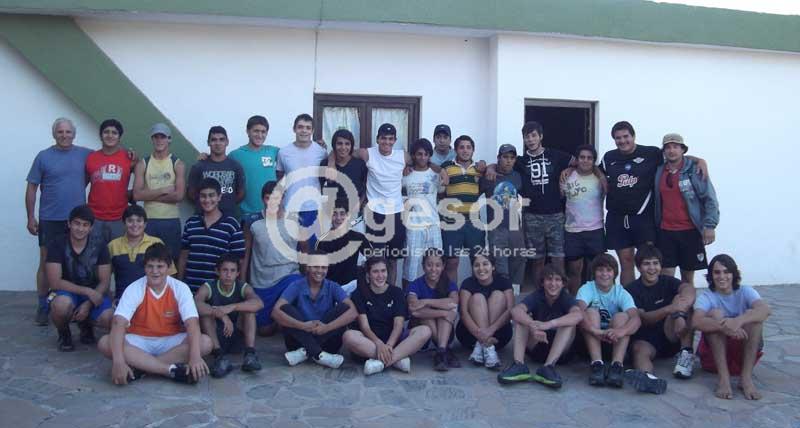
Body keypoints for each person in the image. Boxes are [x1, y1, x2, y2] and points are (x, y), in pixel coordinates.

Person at [599, 121, 707, 285]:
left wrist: (700, 160)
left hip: (644, 218)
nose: (622, 141)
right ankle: (630, 299)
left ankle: (652, 297)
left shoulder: (651, 153)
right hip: (618, 218)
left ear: (633, 136)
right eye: (618, 138)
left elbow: (675, 157)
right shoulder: (609, 157)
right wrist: (598, 174)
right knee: (626, 263)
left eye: (626, 136)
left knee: (647, 263)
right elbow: (595, 169)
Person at [97, 243, 213, 385]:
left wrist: (195, 357)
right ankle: (168, 370)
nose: (155, 271)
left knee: (205, 343)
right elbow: (118, 323)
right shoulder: (134, 288)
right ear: (144, 268)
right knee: (105, 343)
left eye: (160, 266)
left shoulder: (180, 288)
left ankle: (141, 368)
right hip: (139, 340)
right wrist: (119, 362)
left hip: (171, 340)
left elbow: (192, 323)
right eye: (150, 266)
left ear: (169, 267)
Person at [26, 118, 92, 325]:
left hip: (77, 220)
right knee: (46, 261)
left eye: (68, 132)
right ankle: (43, 305)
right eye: (60, 132)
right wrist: (30, 217)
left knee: (77, 262)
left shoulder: (85, 154)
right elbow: (31, 188)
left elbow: (108, 156)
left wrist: (131, 156)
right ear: (54, 134)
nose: (64, 135)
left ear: (74, 134)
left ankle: (71, 304)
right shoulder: (43, 156)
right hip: (50, 218)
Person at [692, 254, 771, 400]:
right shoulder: (707, 297)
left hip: (743, 355)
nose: (722, 276)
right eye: (717, 272)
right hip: (714, 359)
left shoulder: (745, 291)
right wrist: (724, 326)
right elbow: (696, 321)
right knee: (715, 315)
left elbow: (765, 310)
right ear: (711, 276)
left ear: (734, 274)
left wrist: (738, 321)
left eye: (726, 272)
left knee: (754, 319)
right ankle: (724, 379)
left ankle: (746, 379)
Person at [497, 266, 583, 388]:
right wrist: (532, 325)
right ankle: (519, 364)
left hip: (561, 352)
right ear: (542, 282)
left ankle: (548, 367)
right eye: (549, 279)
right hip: (538, 345)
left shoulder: (566, 298)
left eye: (557, 280)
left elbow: (578, 315)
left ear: (563, 283)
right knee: (522, 318)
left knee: (569, 323)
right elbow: (516, 310)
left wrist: (549, 324)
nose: (553, 284)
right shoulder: (538, 295)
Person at [626, 244, 696, 394]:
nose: (652, 268)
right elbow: (644, 318)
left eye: (655, 263)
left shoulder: (668, 281)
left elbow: (689, 289)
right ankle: (649, 379)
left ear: (660, 265)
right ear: (638, 267)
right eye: (646, 264)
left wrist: (680, 311)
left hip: (672, 333)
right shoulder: (631, 290)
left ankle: (686, 354)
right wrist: (670, 309)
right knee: (639, 350)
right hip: (647, 340)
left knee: (684, 300)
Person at [343, 257, 431, 375]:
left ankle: (381, 362)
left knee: (425, 331)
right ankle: (396, 359)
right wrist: (379, 344)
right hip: (370, 342)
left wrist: (389, 345)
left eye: (383, 271)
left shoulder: (397, 292)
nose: (380, 276)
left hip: (394, 341)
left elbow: (398, 325)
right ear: (368, 274)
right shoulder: (359, 293)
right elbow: (365, 326)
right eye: (375, 272)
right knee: (348, 336)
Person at [271, 251, 358, 368]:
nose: (320, 271)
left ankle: (305, 352)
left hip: (328, 343)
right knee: (284, 308)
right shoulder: (297, 285)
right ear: (308, 267)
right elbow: (275, 312)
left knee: (345, 307)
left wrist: (326, 327)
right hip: (298, 341)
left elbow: (353, 312)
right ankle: (319, 355)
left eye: (324, 267)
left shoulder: (332, 286)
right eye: (316, 266)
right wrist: (303, 326)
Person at [513, 121, 573, 285]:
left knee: (558, 257)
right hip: (532, 216)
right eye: (527, 137)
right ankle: (539, 291)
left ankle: (559, 291)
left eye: (534, 135)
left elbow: (578, 162)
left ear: (540, 136)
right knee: (537, 259)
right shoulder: (520, 161)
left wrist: (568, 169)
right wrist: (490, 168)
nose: (530, 140)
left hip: (555, 215)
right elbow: (501, 165)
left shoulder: (555, 155)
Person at [654, 133, 720, 285]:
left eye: (675, 147)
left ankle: (688, 301)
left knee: (687, 278)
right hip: (665, 231)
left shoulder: (695, 170)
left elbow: (709, 198)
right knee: (666, 277)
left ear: (683, 149)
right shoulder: (659, 171)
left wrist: (710, 226)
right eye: (668, 147)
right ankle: (669, 301)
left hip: (690, 231)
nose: (672, 151)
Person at [46, 205, 113, 351]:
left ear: (91, 227)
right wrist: (87, 292)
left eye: (85, 225)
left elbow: (105, 280)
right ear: (69, 223)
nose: (80, 228)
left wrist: (88, 304)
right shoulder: (57, 244)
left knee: (109, 318)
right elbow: (55, 282)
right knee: (61, 306)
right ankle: (64, 333)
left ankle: (86, 325)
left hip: (93, 293)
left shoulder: (100, 245)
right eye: (77, 223)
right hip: (65, 292)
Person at [243, 181, 303, 336]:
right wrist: (242, 282)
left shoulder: (295, 220)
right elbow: (246, 254)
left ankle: (288, 321)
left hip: (289, 276)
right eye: (268, 198)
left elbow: (305, 250)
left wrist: (307, 277)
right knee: (264, 331)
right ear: (263, 199)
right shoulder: (252, 221)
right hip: (262, 282)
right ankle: (277, 320)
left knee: (297, 289)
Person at [576, 253, 641, 388]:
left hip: (615, 341)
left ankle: (617, 365)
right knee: (590, 312)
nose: (604, 274)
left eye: (608, 270)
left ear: (614, 273)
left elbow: (636, 319)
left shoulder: (621, 292)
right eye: (600, 270)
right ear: (594, 273)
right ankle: (597, 364)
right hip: (592, 340)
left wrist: (621, 331)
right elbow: (578, 311)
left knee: (622, 317)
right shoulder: (587, 288)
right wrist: (595, 330)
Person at [194, 254, 264, 377]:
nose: (228, 275)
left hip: (237, 336)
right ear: (217, 271)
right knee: (205, 314)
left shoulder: (242, 286)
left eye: (232, 271)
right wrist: (220, 314)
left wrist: (233, 306)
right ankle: (219, 357)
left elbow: (259, 303)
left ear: (238, 273)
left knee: (250, 311)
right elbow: (195, 304)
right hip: (216, 337)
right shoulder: (209, 286)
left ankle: (250, 355)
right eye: (225, 270)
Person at [178, 178, 245, 291]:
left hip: (218, 292)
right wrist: (180, 284)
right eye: (203, 196)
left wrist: (238, 289)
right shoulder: (191, 223)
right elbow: (184, 257)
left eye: (211, 195)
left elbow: (239, 261)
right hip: (191, 290)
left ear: (219, 197)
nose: (207, 200)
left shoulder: (231, 225)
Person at [132, 123, 186, 261]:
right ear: (152, 139)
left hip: (170, 220)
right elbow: (136, 195)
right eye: (156, 137)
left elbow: (179, 196)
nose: (159, 140)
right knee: (147, 261)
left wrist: (148, 195)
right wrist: (163, 190)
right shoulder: (143, 163)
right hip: (148, 220)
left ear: (169, 139)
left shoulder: (177, 164)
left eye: (163, 137)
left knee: (170, 261)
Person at [276, 114, 329, 249]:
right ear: (294, 129)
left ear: (312, 131)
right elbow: (279, 178)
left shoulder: (321, 152)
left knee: (311, 249)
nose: (304, 130)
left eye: (308, 128)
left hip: (313, 208)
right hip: (290, 207)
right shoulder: (283, 152)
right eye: (300, 127)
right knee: (291, 248)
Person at [456, 251, 514, 370]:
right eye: (476, 265)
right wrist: (480, 334)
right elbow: (463, 313)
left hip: (499, 335)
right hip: (470, 335)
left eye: (485, 264)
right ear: (472, 268)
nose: (481, 268)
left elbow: (510, 310)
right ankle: (488, 347)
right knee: (477, 297)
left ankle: (480, 346)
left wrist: (489, 331)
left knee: (498, 295)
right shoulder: (467, 283)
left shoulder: (504, 282)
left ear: (493, 266)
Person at [441, 135, 486, 284]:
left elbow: (492, 171)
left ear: (473, 150)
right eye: (461, 147)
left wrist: (486, 166)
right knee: (452, 262)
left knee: (478, 261)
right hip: (452, 223)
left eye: (468, 147)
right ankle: (453, 294)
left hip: (474, 222)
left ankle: (476, 293)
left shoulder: (479, 169)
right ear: (455, 150)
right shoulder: (446, 167)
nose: (465, 150)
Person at [480, 143, 526, 289]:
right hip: (496, 228)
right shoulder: (489, 176)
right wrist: (488, 167)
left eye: (512, 158)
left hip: (515, 226)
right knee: (500, 264)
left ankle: (514, 291)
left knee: (519, 258)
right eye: (505, 157)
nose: (508, 161)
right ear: (498, 158)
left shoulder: (518, 176)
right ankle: (501, 292)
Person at [562, 144, 606, 295]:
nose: (585, 161)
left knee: (596, 270)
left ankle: (596, 301)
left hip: (595, 229)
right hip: (572, 230)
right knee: (574, 270)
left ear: (594, 161)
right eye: (582, 157)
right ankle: (575, 302)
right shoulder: (567, 176)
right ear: (577, 159)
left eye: (589, 158)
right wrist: (567, 170)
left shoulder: (600, 178)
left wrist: (600, 173)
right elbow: (560, 197)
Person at [407, 248, 460, 371]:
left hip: (445, 331)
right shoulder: (415, 284)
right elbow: (413, 309)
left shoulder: (448, 283)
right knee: (430, 315)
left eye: (437, 265)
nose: (433, 269)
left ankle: (441, 352)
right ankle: (444, 350)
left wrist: (426, 301)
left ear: (443, 266)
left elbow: (453, 302)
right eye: (429, 265)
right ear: (423, 266)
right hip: (423, 334)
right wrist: (443, 312)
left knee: (438, 310)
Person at [108, 205, 176, 301]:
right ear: (124, 223)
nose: (135, 224)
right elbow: (104, 277)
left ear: (145, 224)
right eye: (130, 221)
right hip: (122, 300)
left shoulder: (156, 243)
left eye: (139, 221)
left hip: (151, 300)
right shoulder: (113, 245)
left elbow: (170, 274)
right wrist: (110, 297)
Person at [402, 138, 443, 288]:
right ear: (413, 155)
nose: (422, 157)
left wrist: (441, 170)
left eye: (426, 154)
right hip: (413, 225)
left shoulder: (435, 174)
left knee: (436, 262)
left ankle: (436, 295)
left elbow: (445, 185)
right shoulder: (406, 174)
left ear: (430, 155)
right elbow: (398, 194)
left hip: (433, 224)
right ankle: (407, 296)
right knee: (411, 263)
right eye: (419, 154)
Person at [86, 119, 134, 245]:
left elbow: (144, 180)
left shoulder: (130, 158)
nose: (110, 135)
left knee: (117, 255)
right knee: (93, 254)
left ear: (119, 137)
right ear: (100, 135)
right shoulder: (91, 158)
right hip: (94, 217)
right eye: (106, 132)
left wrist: (132, 194)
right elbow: (82, 184)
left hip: (119, 218)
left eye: (114, 133)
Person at [228, 115, 280, 229]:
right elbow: (220, 165)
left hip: (270, 212)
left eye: (263, 132)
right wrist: (206, 156)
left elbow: (293, 154)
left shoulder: (273, 151)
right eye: (256, 131)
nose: (260, 135)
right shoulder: (235, 155)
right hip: (246, 214)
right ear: (248, 131)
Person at [315, 199, 373, 294]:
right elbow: (318, 270)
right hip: (330, 288)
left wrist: (364, 273)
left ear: (348, 216)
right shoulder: (322, 241)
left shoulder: (358, 237)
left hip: (352, 287)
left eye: (342, 214)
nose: (338, 218)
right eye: (334, 214)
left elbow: (374, 260)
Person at [187, 126, 245, 218]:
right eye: (214, 140)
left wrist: (227, 204)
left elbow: (241, 193)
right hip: (203, 217)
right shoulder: (198, 167)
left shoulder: (235, 166)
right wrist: (206, 205)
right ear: (208, 142)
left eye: (221, 139)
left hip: (228, 217)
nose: (218, 143)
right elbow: (191, 193)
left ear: (227, 142)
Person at [320, 128, 368, 210]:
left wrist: (360, 204)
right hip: (333, 213)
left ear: (351, 146)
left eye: (347, 144)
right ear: (334, 145)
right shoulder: (325, 164)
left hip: (354, 212)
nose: (343, 147)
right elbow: (320, 187)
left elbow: (366, 187)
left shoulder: (360, 164)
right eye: (339, 143)